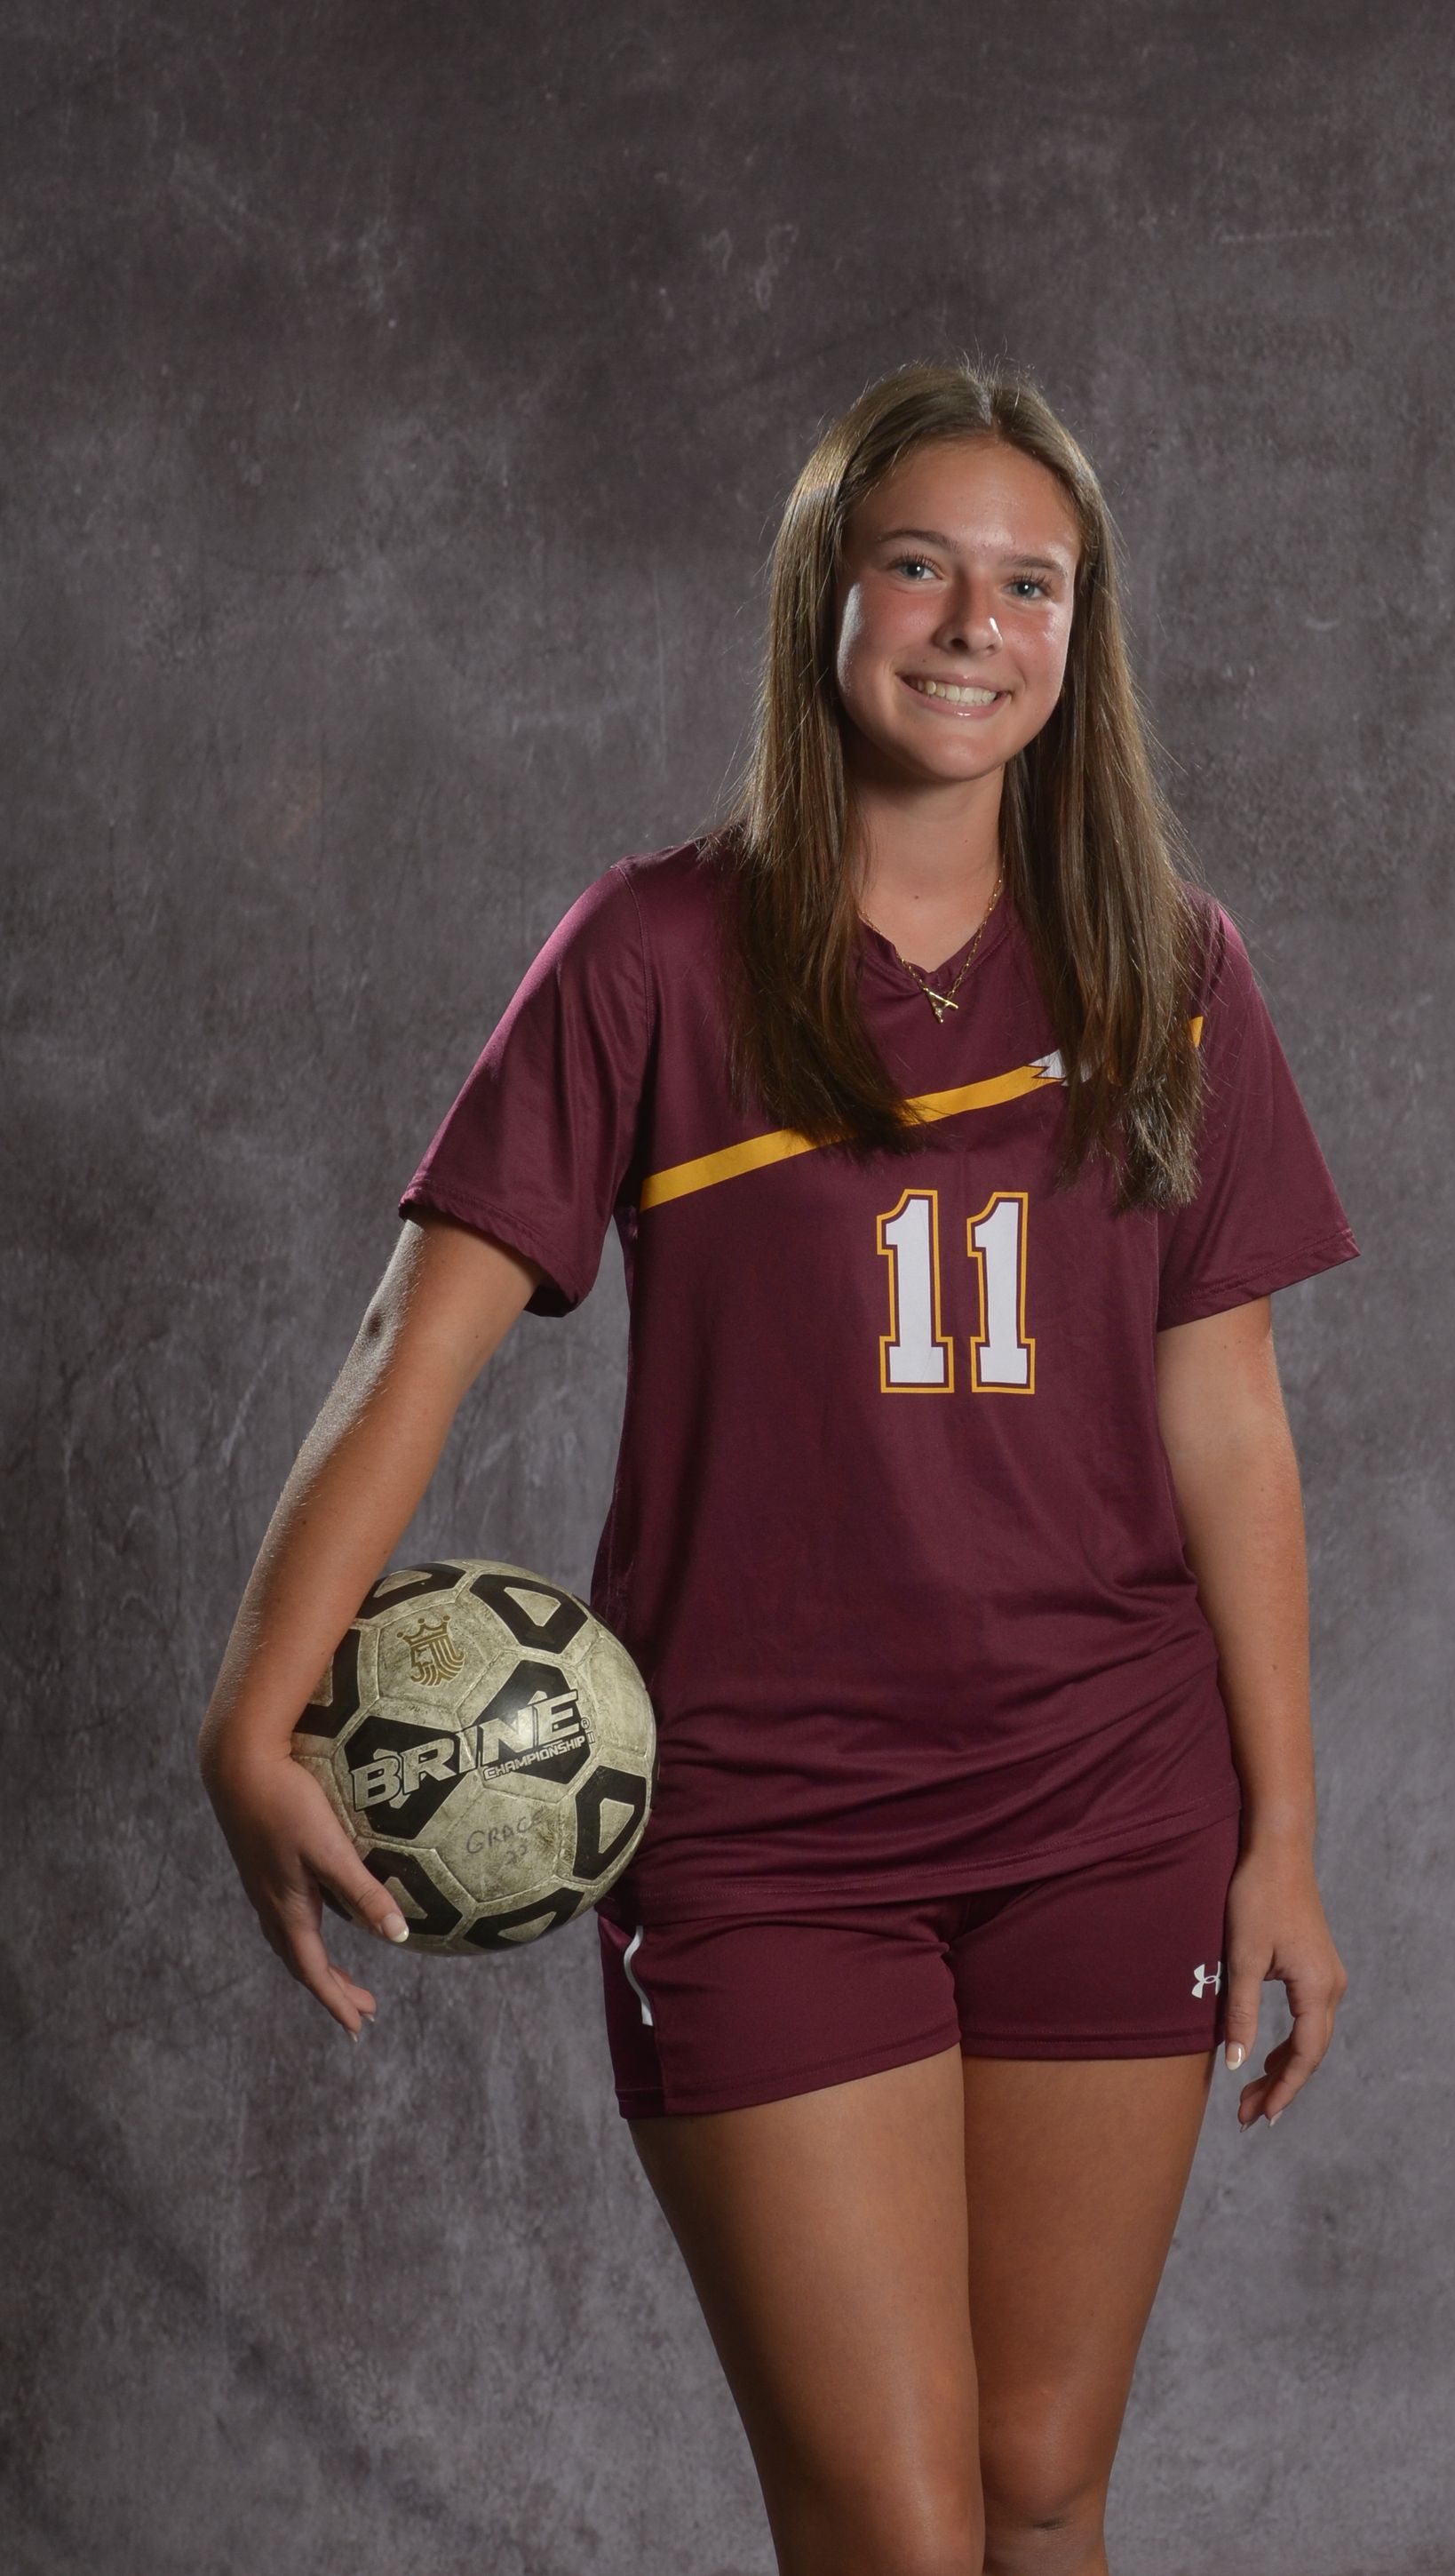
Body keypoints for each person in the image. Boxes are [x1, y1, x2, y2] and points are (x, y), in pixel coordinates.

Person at [199, 355, 1358, 2576]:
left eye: (1033, 582)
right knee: (893, 2529)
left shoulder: (1174, 976)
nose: (970, 621)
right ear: (826, 595)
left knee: (1041, 2494)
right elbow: (408, 1340)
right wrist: (250, 1711)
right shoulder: (654, 954)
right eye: (919, 562)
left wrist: (1284, 1830)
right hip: (766, 1827)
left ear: (1079, 639)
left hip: (1110, 1805)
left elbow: (1233, 1421)